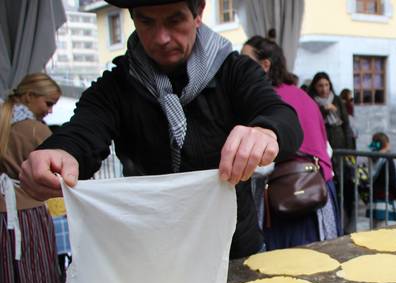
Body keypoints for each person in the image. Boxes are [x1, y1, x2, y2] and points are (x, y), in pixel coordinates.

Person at [19, 0, 302, 259]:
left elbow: (282, 116)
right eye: (146, 22)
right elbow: (83, 131)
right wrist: (59, 152)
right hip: (153, 252)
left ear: (198, 13)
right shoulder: (117, 85)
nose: (161, 38)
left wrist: (266, 131)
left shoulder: (234, 71)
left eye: (174, 20)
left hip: (233, 248)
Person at [242, 36, 340, 249]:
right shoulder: (303, 96)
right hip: (319, 190)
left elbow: (260, 164)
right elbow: (327, 149)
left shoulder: (266, 99)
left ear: (265, 65)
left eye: (245, 59)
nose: (239, 66)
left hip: (286, 195)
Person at [0, 73, 63, 283]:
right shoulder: (36, 131)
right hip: (28, 211)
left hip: (3, 212)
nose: (50, 111)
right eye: (48, 103)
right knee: (34, 273)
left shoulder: (4, 122)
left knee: (7, 273)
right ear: (29, 96)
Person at [309, 71, 356, 231]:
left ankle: (346, 224)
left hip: (341, 150)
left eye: (326, 85)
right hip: (322, 151)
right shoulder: (311, 102)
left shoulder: (337, 101)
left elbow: (346, 126)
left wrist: (350, 150)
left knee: (345, 187)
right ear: (315, 87)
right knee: (326, 187)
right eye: (320, 85)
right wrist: (323, 110)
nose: (324, 89)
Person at [366, 132, 396, 224]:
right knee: (382, 230)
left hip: (373, 200)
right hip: (384, 201)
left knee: (375, 227)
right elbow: (392, 180)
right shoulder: (387, 160)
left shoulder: (371, 158)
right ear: (386, 144)